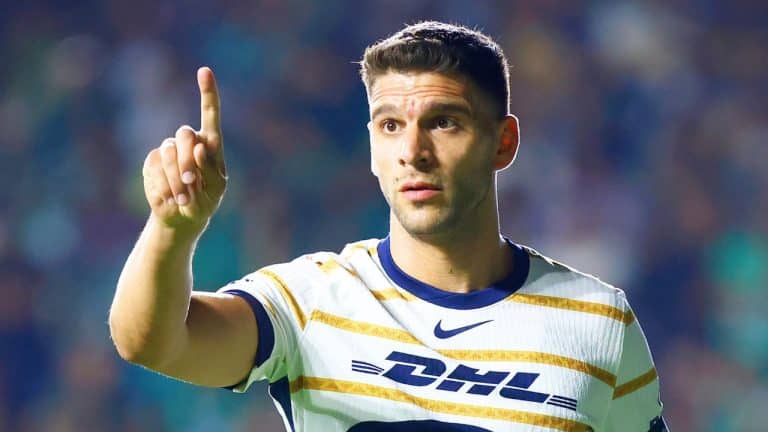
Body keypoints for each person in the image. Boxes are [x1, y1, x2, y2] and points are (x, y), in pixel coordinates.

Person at [109, 21, 667, 432]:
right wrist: (173, 229)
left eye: (444, 123)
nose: (413, 152)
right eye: (391, 125)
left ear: (504, 143)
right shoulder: (310, 300)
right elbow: (149, 342)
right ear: (373, 147)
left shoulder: (600, 320)